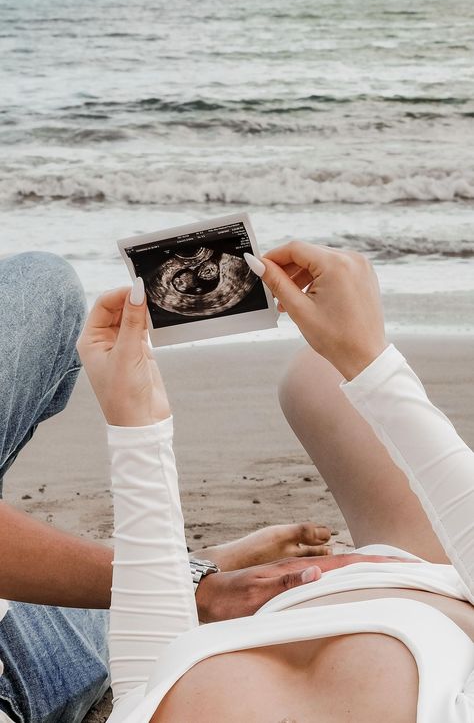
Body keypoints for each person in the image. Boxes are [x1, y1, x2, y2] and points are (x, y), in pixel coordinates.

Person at [77, 240, 474, 722]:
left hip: (315, 596)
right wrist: (370, 363)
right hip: (442, 579)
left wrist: (136, 423)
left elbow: (149, 684)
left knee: (316, 374)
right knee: (323, 371)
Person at [0, 251, 340, 723]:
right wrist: (199, 589)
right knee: (44, 285)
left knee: (45, 287)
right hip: (22, 670)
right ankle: (198, 567)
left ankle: (188, 571)